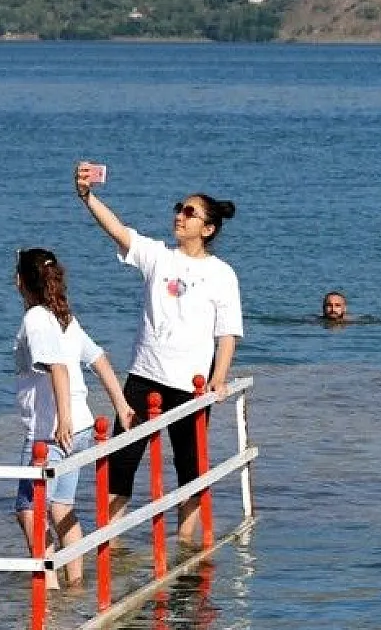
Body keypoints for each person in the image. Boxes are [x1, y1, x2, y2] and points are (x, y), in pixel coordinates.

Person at [73, 161, 243, 545]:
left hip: (190, 386)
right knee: (122, 463)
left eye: (189, 213)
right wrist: (87, 197)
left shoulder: (222, 274)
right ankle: (112, 545)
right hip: (143, 377)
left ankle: (184, 545)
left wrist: (218, 379)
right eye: (178, 209)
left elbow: (228, 334)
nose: (179, 217)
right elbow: (117, 230)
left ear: (208, 228)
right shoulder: (157, 256)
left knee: (189, 468)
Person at [12, 247, 126, 589]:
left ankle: (48, 586)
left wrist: (61, 420)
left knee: (28, 510)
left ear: (20, 282)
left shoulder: (35, 318)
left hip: (50, 435)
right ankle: (76, 584)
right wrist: (121, 406)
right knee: (61, 507)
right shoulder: (63, 316)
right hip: (82, 429)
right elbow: (99, 358)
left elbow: (58, 369)